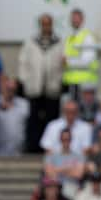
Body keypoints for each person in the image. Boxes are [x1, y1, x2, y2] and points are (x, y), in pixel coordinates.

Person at [18, 13, 63, 153]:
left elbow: (63, 62)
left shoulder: (59, 42)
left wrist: (60, 80)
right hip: (34, 88)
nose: (46, 27)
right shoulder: (31, 42)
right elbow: (23, 62)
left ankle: (50, 148)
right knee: (33, 120)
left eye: (48, 24)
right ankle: (33, 148)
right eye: (43, 24)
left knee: (51, 119)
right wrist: (24, 80)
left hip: (52, 88)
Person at [62, 8, 98, 98]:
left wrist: (68, 62)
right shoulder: (69, 37)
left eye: (76, 18)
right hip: (71, 82)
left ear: (82, 20)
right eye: (72, 18)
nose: (74, 20)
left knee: (83, 110)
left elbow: (87, 60)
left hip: (85, 83)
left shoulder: (88, 37)